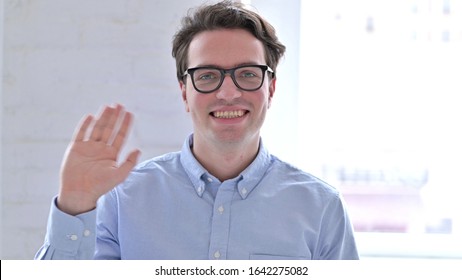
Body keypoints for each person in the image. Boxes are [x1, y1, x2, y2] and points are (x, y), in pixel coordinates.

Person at [35, 0, 359, 260]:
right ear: (184, 92)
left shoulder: (322, 208)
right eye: (207, 75)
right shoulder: (121, 200)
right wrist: (74, 207)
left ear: (271, 89)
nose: (229, 93)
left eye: (247, 74)